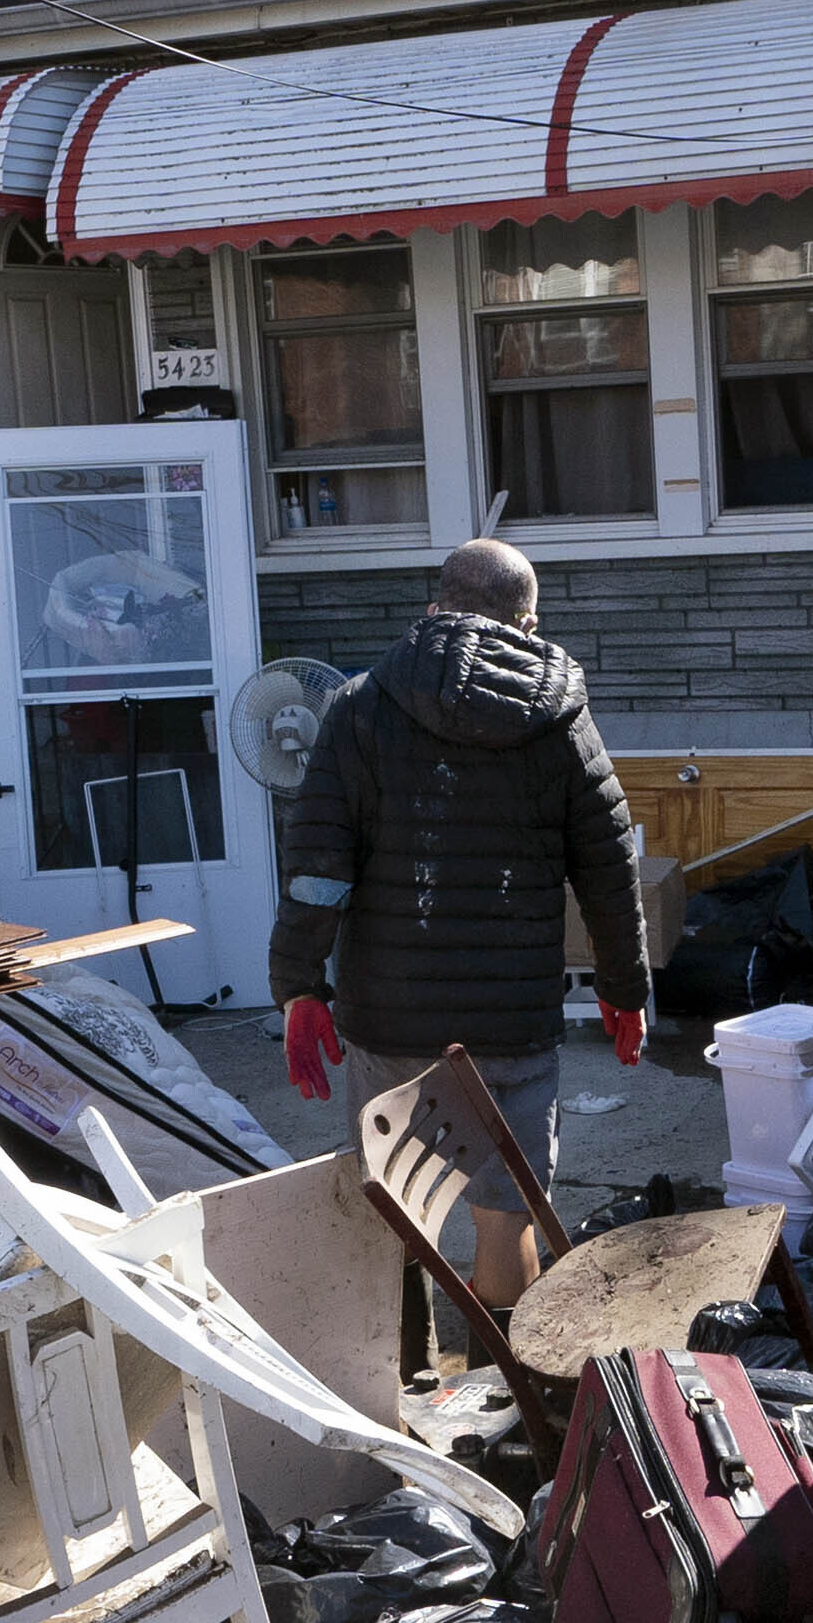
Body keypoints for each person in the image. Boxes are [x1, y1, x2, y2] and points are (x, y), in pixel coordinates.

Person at [273, 538, 646, 1292]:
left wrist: (299, 986)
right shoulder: (561, 722)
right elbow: (610, 869)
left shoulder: (359, 709)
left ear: (434, 607)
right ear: (529, 622)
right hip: (512, 1023)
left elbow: (317, 871)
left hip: (391, 1020)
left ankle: (398, 1385)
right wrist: (624, 986)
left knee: (396, 1209)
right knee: (508, 1220)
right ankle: (504, 1397)